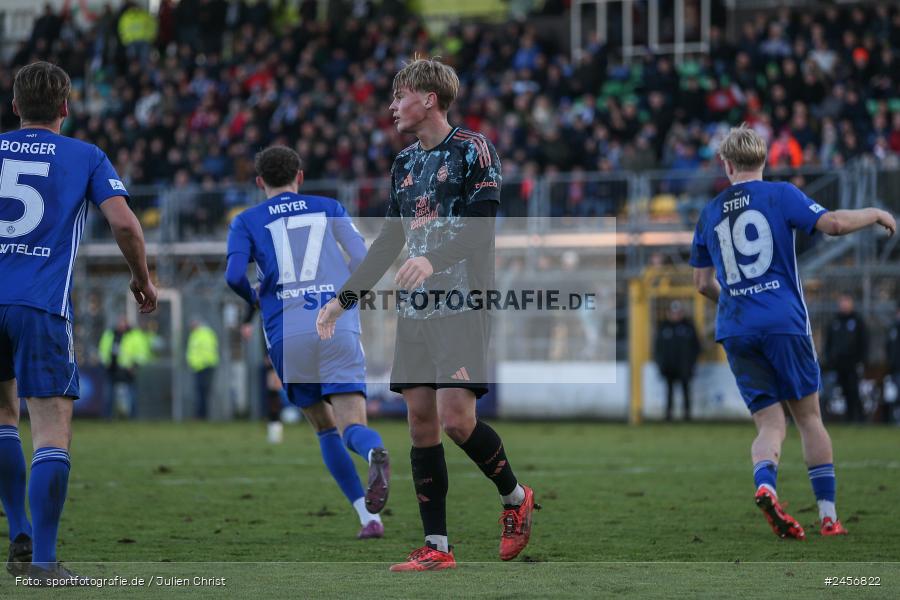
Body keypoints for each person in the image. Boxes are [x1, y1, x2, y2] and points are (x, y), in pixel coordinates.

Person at [317, 57, 539, 571]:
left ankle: (515, 497)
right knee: (420, 423)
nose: (392, 106)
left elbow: (482, 229)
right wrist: (344, 297)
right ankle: (437, 548)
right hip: (416, 312)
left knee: (457, 420)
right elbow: (388, 241)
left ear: (429, 99)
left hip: (462, 302)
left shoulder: (473, 150)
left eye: (400, 96)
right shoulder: (403, 164)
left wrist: (431, 258)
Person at [690, 124, 895, 540]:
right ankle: (827, 516)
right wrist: (875, 213)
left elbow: (701, 284)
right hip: (783, 321)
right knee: (809, 417)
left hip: (735, 326)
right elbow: (833, 224)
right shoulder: (781, 194)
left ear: (726, 164)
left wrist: (732, 301)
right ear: (764, 161)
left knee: (769, 424)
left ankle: (765, 485)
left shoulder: (709, 211)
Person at [0, 61, 157, 582]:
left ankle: (19, 532)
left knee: (3, 418)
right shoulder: (86, 156)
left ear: (16, 106)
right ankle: (43, 562)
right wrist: (142, 279)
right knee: (50, 428)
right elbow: (124, 223)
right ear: (66, 107)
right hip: (40, 306)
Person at [225, 145, 389, 539]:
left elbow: (233, 276)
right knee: (352, 426)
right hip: (336, 323)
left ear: (260, 181)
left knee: (323, 428)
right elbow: (361, 258)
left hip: (288, 333)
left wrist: (257, 298)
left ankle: (368, 518)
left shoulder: (245, 220)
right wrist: (344, 292)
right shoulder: (329, 207)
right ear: (299, 176)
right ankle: (372, 452)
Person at [824, 294, 868, 422]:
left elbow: (864, 342)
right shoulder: (834, 322)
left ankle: (859, 417)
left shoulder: (857, 321)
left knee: (854, 390)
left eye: (846, 301)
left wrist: (861, 360)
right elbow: (828, 342)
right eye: (842, 302)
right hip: (838, 363)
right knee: (842, 391)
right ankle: (848, 418)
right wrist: (829, 358)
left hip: (853, 363)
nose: (844, 304)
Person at [98, 315, 153, 418]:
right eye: (120, 322)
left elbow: (142, 353)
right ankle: (107, 417)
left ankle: (133, 417)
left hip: (128, 370)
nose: (121, 324)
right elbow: (102, 350)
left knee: (132, 395)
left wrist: (135, 365)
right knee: (109, 395)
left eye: (124, 322)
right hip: (112, 369)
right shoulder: (110, 334)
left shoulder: (135, 335)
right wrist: (105, 363)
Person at [654, 301, 701, 421]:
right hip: (669, 367)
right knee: (669, 391)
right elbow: (657, 348)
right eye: (673, 313)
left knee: (686, 390)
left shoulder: (688, 327)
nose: (676, 315)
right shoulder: (663, 327)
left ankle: (687, 414)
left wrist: (691, 363)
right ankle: (668, 414)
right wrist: (661, 364)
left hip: (685, 366)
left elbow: (696, 347)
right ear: (668, 313)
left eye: (678, 313)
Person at [186, 318, 219, 419]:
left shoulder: (203, 334)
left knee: (202, 392)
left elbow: (205, 351)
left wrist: (201, 363)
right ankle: (202, 414)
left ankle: (202, 415)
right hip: (201, 367)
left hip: (204, 367)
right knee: (202, 392)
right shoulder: (200, 334)